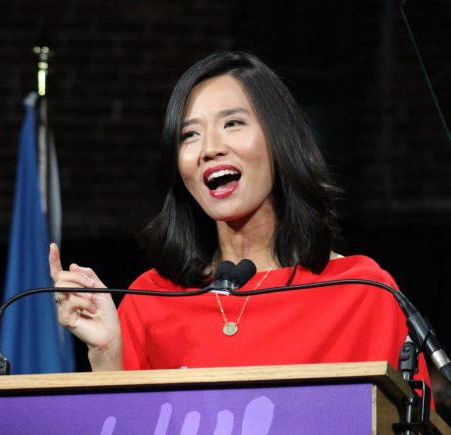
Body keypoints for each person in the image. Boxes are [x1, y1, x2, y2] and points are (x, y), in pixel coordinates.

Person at [48, 50, 430, 386]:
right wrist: (107, 354)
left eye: (233, 123)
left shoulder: (361, 293)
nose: (210, 149)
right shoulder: (151, 301)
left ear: (280, 140)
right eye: (189, 135)